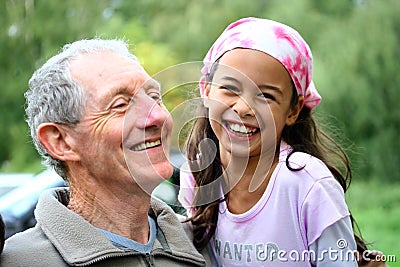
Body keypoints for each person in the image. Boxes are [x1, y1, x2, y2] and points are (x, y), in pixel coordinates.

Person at [178, 17, 387, 266]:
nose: (244, 108)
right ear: (207, 90)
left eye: (265, 96)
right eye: (230, 89)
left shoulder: (306, 184)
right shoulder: (199, 173)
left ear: (293, 110)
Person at [1, 39, 207, 266]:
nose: (157, 117)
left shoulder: (202, 244)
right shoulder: (19, 261)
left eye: (155, 98)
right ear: (60, 141)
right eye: (121, 105)